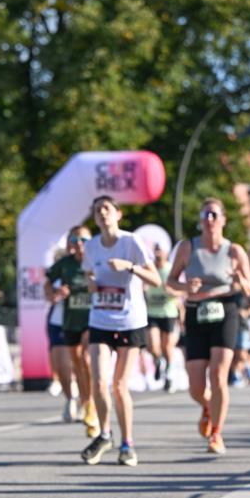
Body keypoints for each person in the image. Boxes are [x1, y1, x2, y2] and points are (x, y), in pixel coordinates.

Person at [167, 197, 250, 454]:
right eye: (206, 215)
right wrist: (185, 287)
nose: (210, 220)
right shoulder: (187, 248)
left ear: (224, 221)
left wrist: (241, 280)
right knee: (196, 385)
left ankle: (216, 433)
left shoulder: (234, 251)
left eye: (215, 215)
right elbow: (170, 282)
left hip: (225, 311)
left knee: (218, 375)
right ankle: (207, 405)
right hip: (196, 313)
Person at [81, 195, 160, 466]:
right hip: (100, 319)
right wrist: (90, 282)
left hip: (130, 321)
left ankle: (127, 444)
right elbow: (88, 274)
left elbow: (156, 279)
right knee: (99, 382)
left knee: (119, 385)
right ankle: (105, 434)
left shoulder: (131, 243)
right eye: (97, 210)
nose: (102, 214)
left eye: (106, 209)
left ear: (118, 214)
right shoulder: (91, 246)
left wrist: (129, 266)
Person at [45, 226, 98, 434]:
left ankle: (91, 403)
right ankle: (83, 401)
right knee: (76, 363)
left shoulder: (96, 260)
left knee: (86, 360)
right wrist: (56, 292)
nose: (79, 243)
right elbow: (47, 284)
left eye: (83, 239)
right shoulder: (64, 264)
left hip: (93, 319)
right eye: (75, 239)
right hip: (70, 320)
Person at [144, 243, 181, 393]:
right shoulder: (149, 268)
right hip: (152, 312)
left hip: (168, 312)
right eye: (156, 250)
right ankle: (158, 361)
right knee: (153, 345)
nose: (158, 253)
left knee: (167, 347)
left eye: (161, 250)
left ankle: (170, 375)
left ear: (166, 253)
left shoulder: (171, 269)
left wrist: (173, 292)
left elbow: (182, 291)